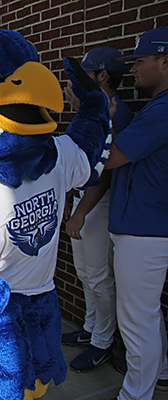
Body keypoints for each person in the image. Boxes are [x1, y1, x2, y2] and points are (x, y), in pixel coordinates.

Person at [103, 27, 168, 400]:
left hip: (146, 230)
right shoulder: (155, 106)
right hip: (144, 226)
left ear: (164, 60)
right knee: (147, 314)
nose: (136, 69)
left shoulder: (162, 108)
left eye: (142, 60)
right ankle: (159, 374)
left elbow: (113, 158)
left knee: (136, 321)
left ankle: (135, 395)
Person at [61, 46, 134, 373]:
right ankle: (92, 329)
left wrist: (80, 212)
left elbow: (103, 171)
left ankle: (102, 342)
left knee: (98, 276)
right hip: (84, 202)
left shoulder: (115, 111)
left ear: (102, 76)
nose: (71, 84)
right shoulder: (93, 111)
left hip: (97, 204)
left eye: (82, 76)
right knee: (86, 274)